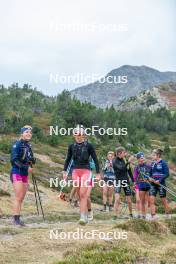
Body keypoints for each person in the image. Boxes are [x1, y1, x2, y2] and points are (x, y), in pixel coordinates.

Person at [63, 125, 100, 225]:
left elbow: (96, 160)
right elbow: (68, 159)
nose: (78, 136)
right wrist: (65, 172)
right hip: (75, 172)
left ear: (83, 135)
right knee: (79, 194)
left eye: (80, 134)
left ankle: (82, 217)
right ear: (74, 135)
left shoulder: (89, 146)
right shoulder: (71, 146)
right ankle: (85, 213)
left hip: (86, 171)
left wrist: (98, 173)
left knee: (84, 194)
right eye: (76, 134)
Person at [10, 125, 36, 226]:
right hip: (16, 172)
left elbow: (29, 158)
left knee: (22, 197)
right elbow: (14, 160)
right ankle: (15, 220)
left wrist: (32, 160)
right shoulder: (17, 144)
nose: (28, 134)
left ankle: (18, 219)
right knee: (18, 196)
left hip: (25, 174)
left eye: (30, 133)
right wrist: (26, 168)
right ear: (22, 134)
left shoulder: (28, 146)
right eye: (26, 132)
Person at [113, 147, 134, 219]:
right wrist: (128, 162)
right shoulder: (114, 160)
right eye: (123, 153)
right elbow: (121, 168)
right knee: (117, 198)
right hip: (118, 181)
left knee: (129, 199)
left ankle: (131, 214)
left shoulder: (125, 160)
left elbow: (129, 171)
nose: (125, 154)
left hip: (125, 181)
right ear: (119, 153)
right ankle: (115, 215)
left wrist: (133, 181)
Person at [149, 149, 171, 220]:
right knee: (151, 199)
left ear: (158, 155)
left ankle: (167, 214)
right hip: (153, 184)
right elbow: (150, 174)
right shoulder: (152, 163)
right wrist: (150, 178)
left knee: (163, 200)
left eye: (153, 155)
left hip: (161, 183)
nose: (152, 156)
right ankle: (153, 215)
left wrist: (160, 180)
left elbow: (167, 174)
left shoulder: (163, 163)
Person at [133, 152, 151, 219]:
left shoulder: (148, 166)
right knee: (140, 200)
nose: (142, 159)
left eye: (143, 158)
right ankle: (139, 214)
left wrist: (149, 179)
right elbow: (135, 177)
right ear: (138, 159)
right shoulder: (137, 167)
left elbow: (151, 174)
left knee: (146, 200)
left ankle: (144, 214)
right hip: (140, 185)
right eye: (141, 158)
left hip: (147, 184)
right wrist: (135, 183)